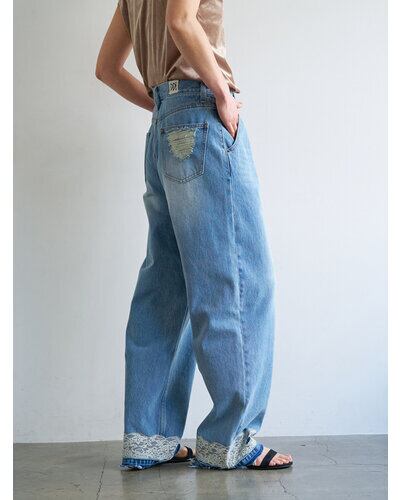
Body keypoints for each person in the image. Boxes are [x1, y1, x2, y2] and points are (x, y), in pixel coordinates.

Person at [96, 0, 293, 471]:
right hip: (203, 116)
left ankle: (149, 438)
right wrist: (220, 91)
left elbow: (106, 69)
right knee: (238, 279)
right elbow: (180, 20)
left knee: (165, 287)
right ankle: (231, 440)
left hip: (164, 128)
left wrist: (164, 107)